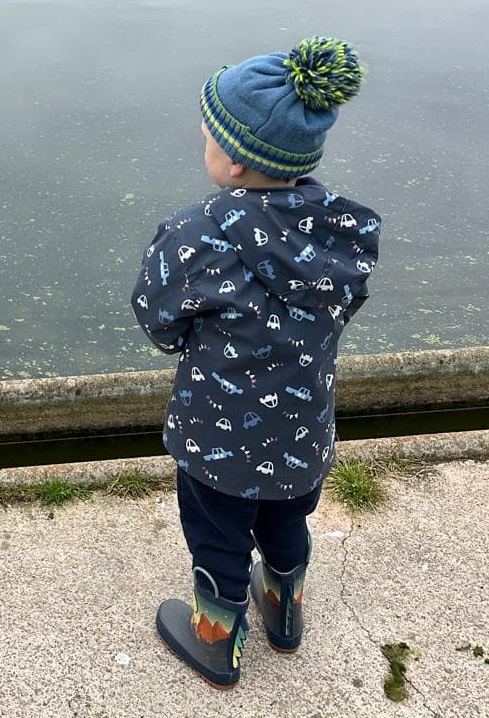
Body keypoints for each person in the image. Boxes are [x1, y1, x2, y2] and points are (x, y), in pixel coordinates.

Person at [132, 37, 380, 689]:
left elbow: (157, 316)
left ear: (236, 163)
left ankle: (216, 639)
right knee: (287, 521)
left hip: (218, 436)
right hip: (302, 434)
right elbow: (342, 306)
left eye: (209, 134)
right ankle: (284, 614)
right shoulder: (343, 232)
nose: (203, 143)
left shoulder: (197, 234)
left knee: (218, 532)